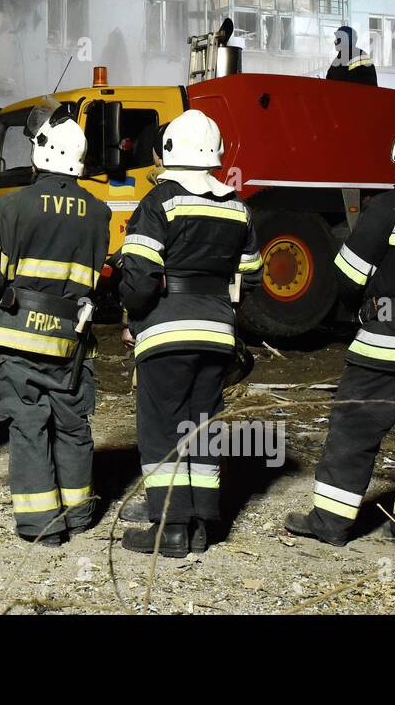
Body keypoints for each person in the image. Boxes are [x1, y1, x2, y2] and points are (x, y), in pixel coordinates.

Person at [286, 120, 395, 550]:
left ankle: (330, 523)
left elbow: (348, 276)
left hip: (385, 346)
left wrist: (370, 306)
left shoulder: (385, 209)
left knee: (353, 432)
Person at [0, 110, 110, 545]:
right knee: (73, 423)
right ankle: (78, 512)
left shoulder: (13, 207)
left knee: (29, 423)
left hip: (19, 338)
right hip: (72, 341)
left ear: (39, 155)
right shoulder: (99, 213)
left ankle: (42, 524)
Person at [117, 110, 262, 557]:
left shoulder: (160, 203)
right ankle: (201, 524)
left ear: (171, 153)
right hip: (217, 332)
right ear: (215, 154)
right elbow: (252, 276)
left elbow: (139, 279)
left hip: (166, 331)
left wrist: (133, 318)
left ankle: (171, 528)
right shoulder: (238, 207)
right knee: (200, 426)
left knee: (162, 429)